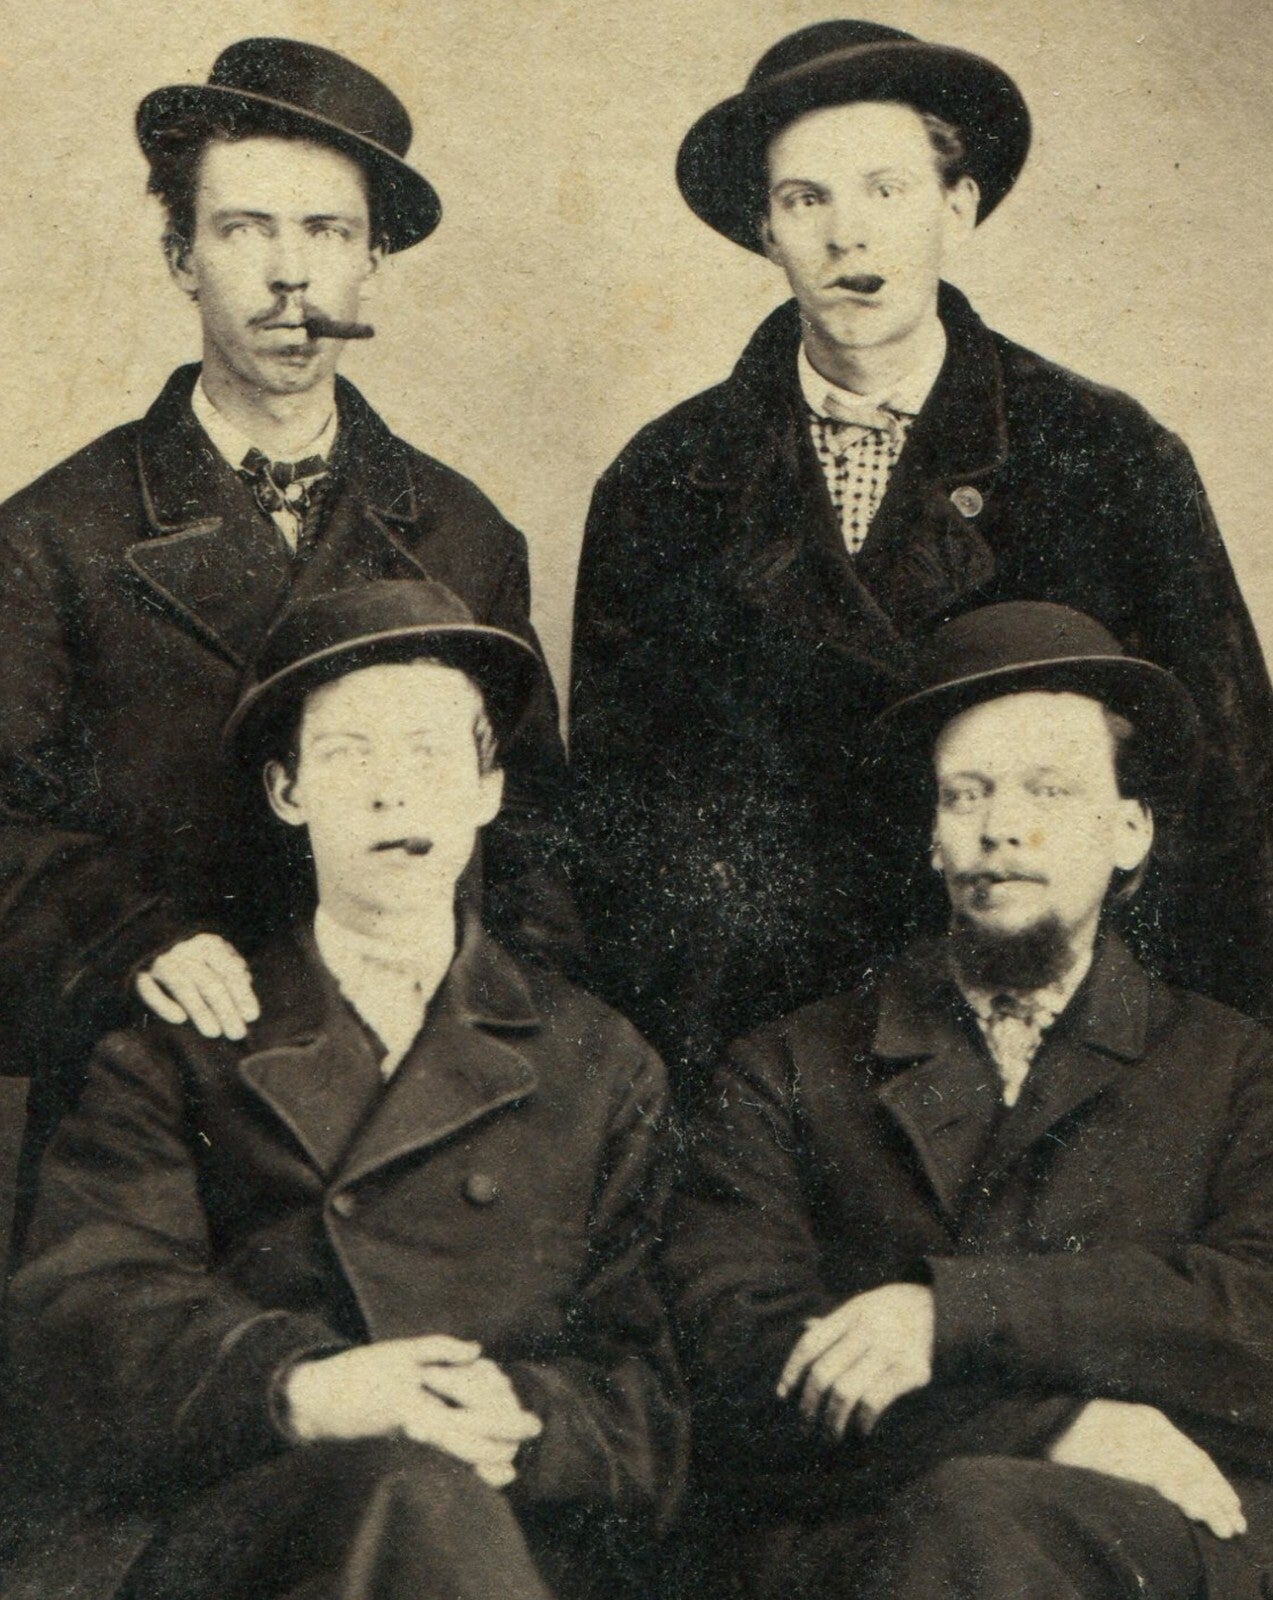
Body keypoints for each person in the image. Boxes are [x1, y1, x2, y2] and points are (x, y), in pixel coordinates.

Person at [569, 19, 1273, 1091]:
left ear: (959, 205)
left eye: (886, 190)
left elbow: (1227, 798)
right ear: (764, 229)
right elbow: (620, 829)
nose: (849, 236)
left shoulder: (1107, 453)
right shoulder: (662, 481)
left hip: (1052, 1044)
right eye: (806, 199)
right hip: (772, 1059)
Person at [2, 579, 684, 1600]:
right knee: (405, 1492)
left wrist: (514, 1416)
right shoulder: (180, 1047)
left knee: (434, 1497)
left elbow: (652, 1401)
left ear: (489, 787)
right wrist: (304, 1387)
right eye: (348, 755)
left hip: (509, 1541)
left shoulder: (601, 1062)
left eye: (427, 754)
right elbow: (82, 1316)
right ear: (288, 793)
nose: (391, 793)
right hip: (256, 1540)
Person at [0, 37, 575, 1188]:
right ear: (181, 257)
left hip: (408, 1114)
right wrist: (134, 944)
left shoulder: (465, 537)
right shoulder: (53, 534)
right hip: (153, 1098)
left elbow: (535, 852)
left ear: (376, 264)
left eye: (327, 233)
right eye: (244, 228)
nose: (288, 276)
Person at [663, 600, 1273, 1599]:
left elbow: (1254, 1316)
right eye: (967, 793)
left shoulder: (1237, 1067)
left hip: (1163, 1550)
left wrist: (955, 1313)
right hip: (871, 1544)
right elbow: (736, 1366)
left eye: (1049, 789)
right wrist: (1052, 1428)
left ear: (1130, 831)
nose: (1001, 825)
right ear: (932, 839)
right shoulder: (785, 1064)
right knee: (966, 1518)